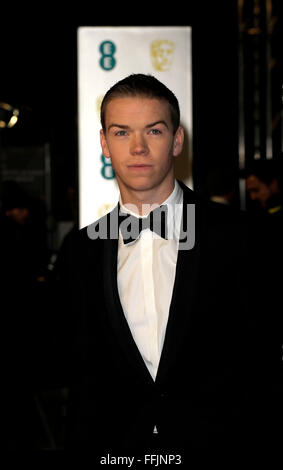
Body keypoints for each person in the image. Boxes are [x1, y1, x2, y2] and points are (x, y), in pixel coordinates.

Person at [59, 74, 267, 462]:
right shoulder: (80, 250)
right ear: (104, 143)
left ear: (176, 140)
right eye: (122, 133)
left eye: (153, 131)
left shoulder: (241, 237)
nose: (138, 147)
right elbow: (75, 367)